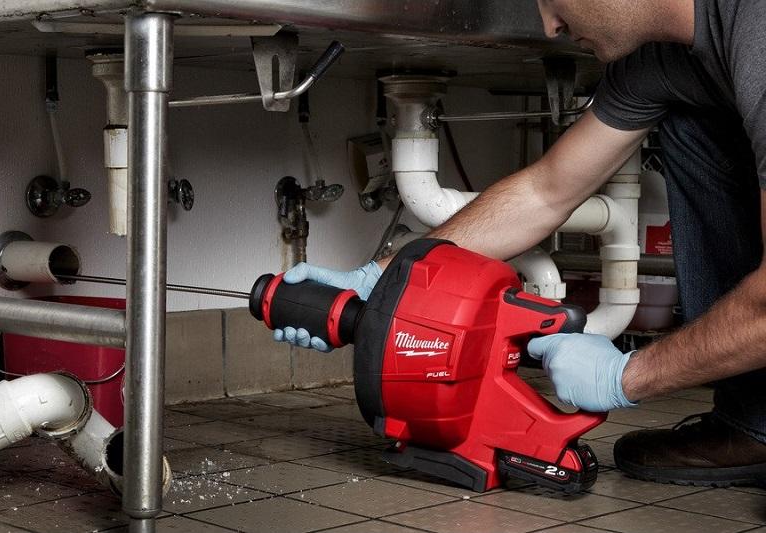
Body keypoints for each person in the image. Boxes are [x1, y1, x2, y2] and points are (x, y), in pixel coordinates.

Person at [274, 0, 766, 487]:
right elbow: (546, 191)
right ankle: (756, 425)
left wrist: (628, 376)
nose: (549, 26)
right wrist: (386, 278)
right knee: (691, 121)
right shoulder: (660, 60)